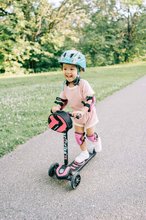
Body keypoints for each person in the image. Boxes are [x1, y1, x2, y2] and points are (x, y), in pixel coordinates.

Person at [51, 49, 102, 163]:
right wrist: (57, 107)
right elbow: (62, 99)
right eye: (65, 68)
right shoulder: (65, 85)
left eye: (72, 69)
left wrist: (83, 111)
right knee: (78, 135)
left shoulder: (83, 84)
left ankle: (96, 140)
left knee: (90, 135)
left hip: (88, 114)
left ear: (79, 70)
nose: (68, 72)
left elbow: (91, 99)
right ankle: (84, 153)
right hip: (76, 114)